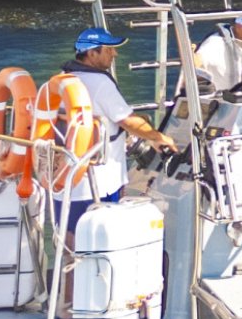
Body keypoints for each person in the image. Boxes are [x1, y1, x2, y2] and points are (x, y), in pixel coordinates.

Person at [53, 25, 172, 239]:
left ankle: (67, 264)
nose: (114, 54)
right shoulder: (100, 83)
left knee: (69, 237)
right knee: (102, 239)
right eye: (109, 50)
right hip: (99, 183)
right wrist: (158, 137)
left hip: (65, 179)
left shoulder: (62, 79)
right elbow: (128, 121)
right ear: (92, 53)